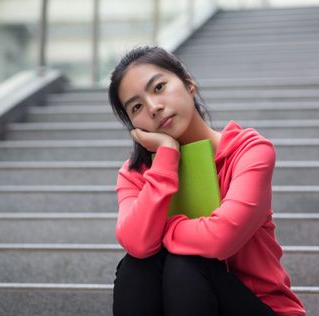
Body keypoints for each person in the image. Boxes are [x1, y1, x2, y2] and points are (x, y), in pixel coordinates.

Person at [108, 46, 306, 316]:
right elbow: (137, 244)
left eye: (159, 87)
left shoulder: (249, 151)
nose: (154, 107)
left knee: (185, 264)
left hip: (259, 306)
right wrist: (166, 155)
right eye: (137, 106)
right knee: (136, 267)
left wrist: (163, 230)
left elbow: (221, 238)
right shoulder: (135, 174)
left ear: (189, 84)